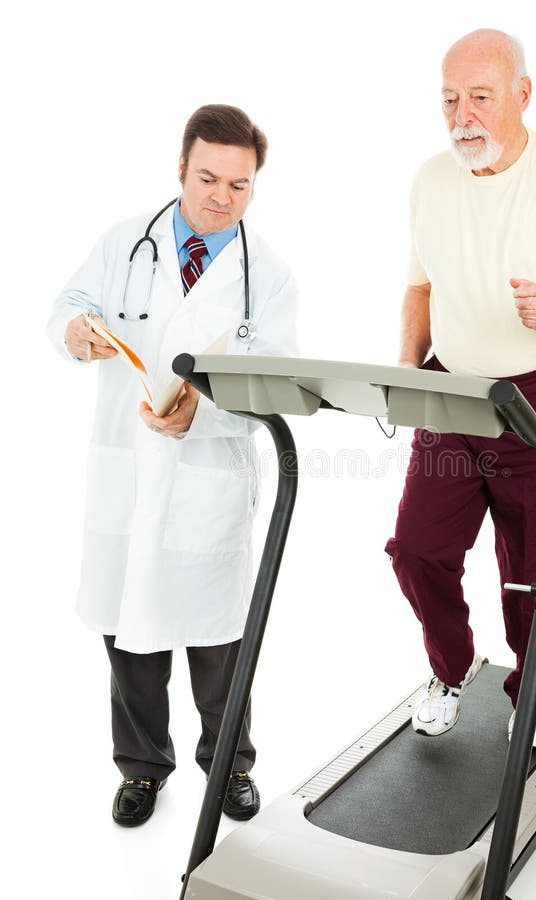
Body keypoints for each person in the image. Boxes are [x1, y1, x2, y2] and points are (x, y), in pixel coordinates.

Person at [47, 104, 299, 825]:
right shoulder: (124, 242)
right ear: (181, 169)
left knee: (219, 640)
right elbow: (69, 303)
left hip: (207, 478)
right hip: (126, 471)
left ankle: (229, 767)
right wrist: (73, 330)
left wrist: (205, 413)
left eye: (239, 185)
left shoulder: (270, 278)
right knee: (128, 635)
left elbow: (275, 385)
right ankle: (142, 770)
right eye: (207, 177)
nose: (221, 196)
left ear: (255, 185)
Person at [385, 30, 536, 747]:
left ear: (522, 96)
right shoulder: (431, 179)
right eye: (450, 99)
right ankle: (451, 668)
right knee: (415, 547)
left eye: (480, 98)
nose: (462, 115)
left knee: (531, 568)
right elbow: (418, 291)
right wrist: (404, 377)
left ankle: (534, 689)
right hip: (453, 392)